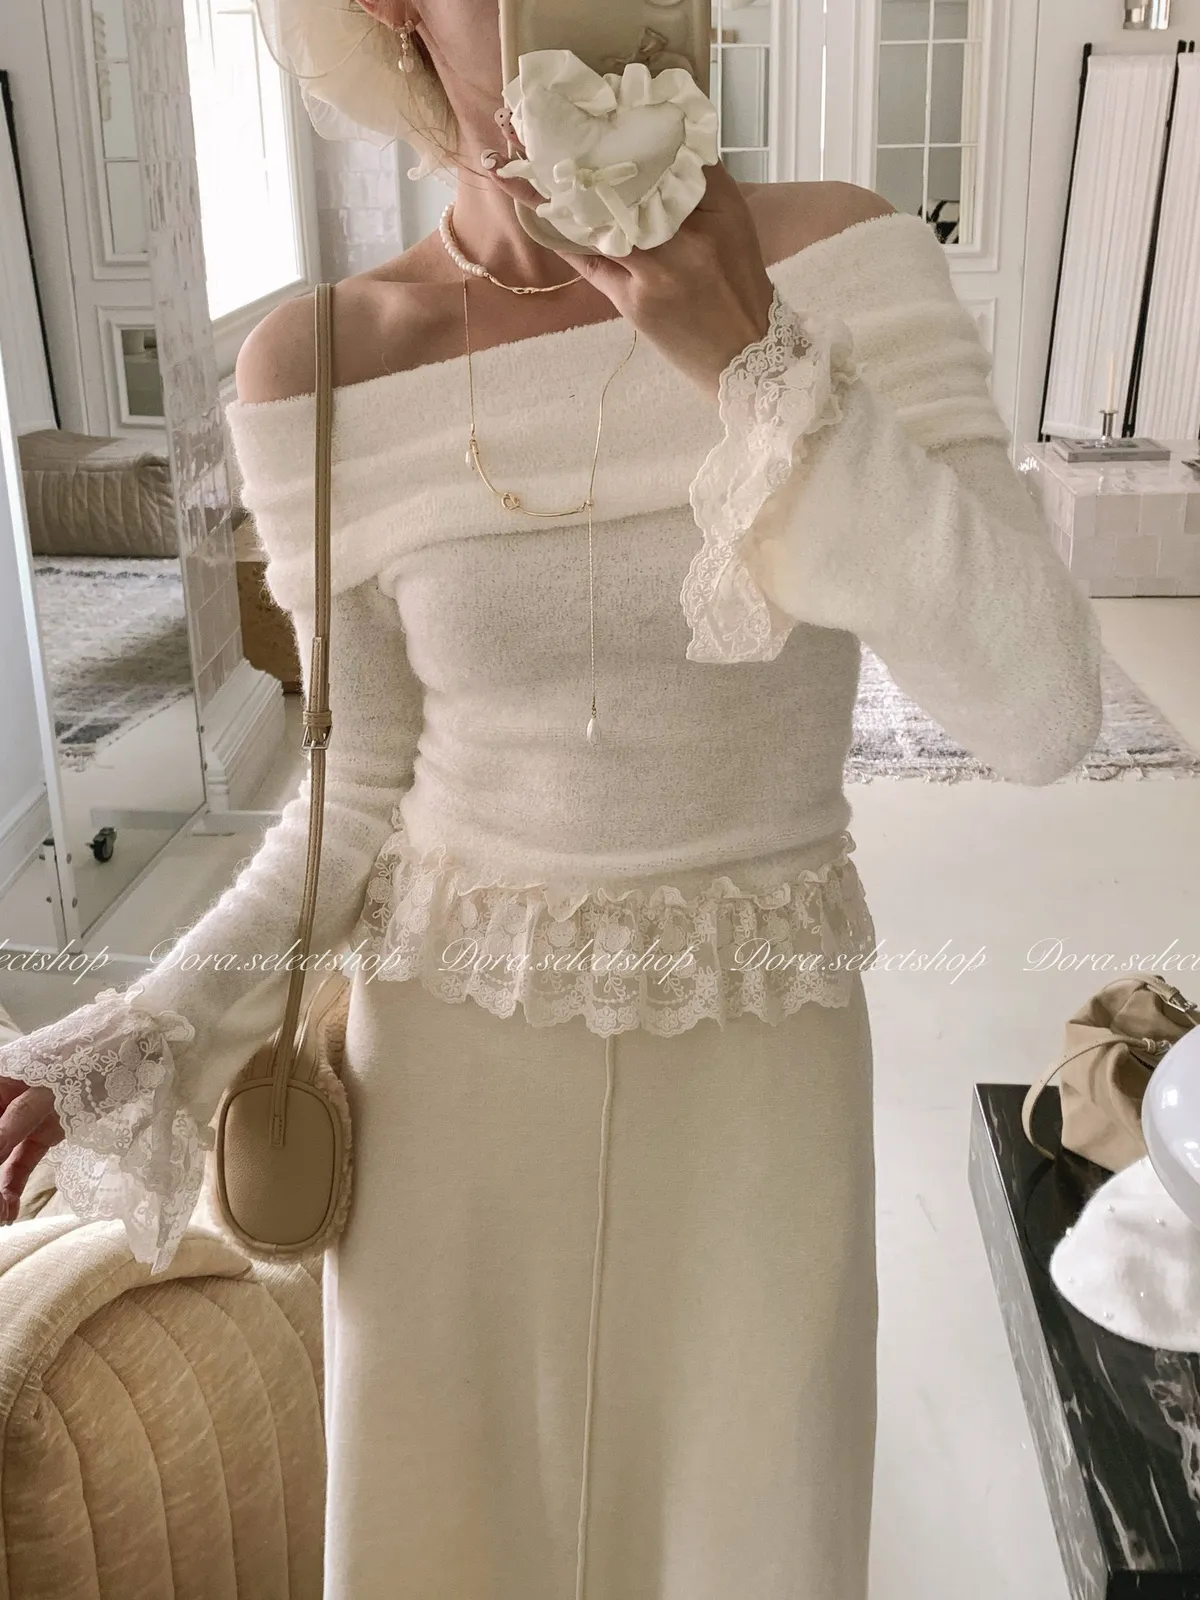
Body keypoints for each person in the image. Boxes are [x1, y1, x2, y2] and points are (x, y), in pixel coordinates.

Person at [0, 2, 1103, 1596]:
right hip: (452, 1095)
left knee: (749, 1536)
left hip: (756, 1087)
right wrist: (140, 1034)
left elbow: (1043, 708)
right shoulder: (321, 363)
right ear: (393, 13)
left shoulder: (845, 260)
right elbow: (357, 789)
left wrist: (755, 359)